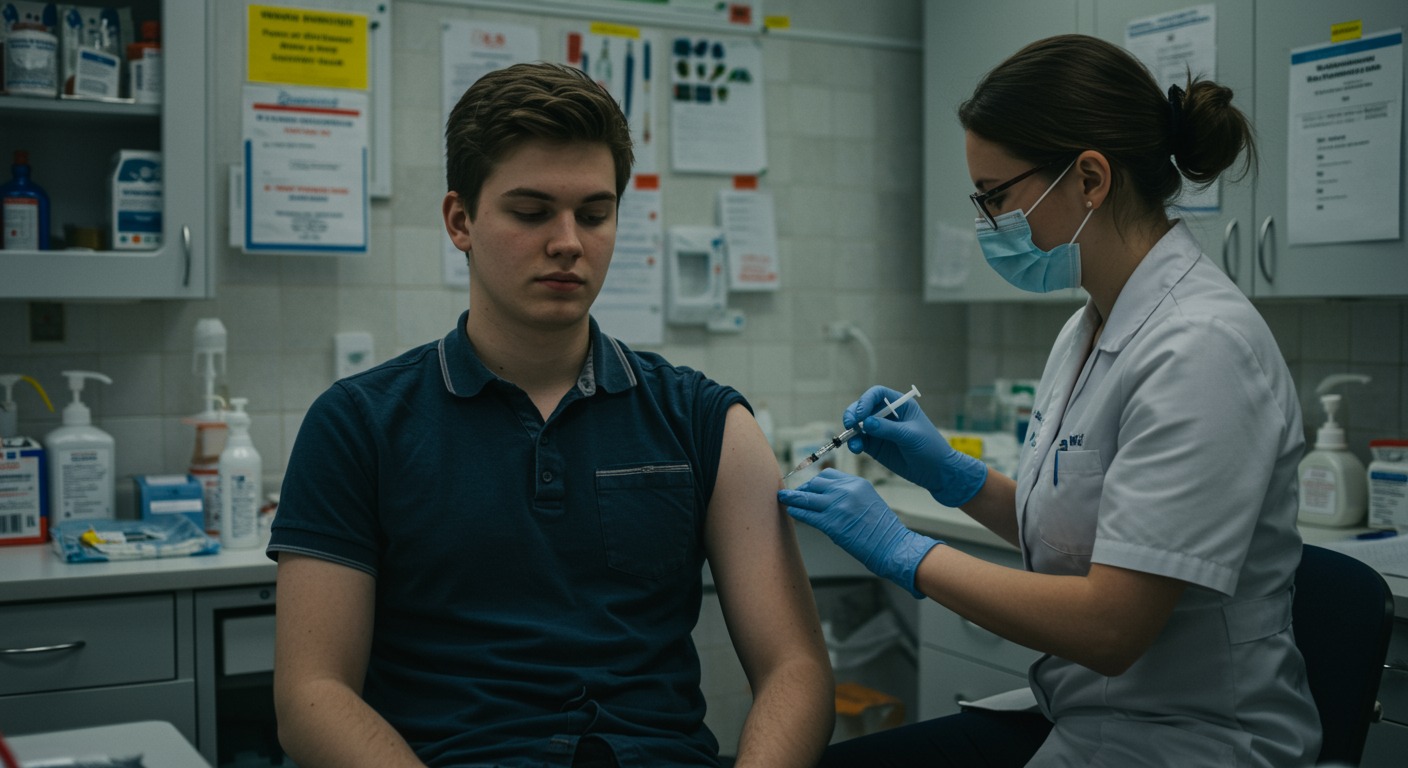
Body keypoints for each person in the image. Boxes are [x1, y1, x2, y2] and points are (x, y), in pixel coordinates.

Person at [269, 61, 833, 768]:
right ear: (460, 220)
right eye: (532, 212)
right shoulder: (357, 426)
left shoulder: (706, 421)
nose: (569, 240)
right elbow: (310, 696)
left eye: (594, 214)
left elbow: (796, 669)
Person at [779, 34, 1320, 767]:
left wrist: (904, 550)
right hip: (1091, 716)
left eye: (997, 196)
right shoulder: (1089, 325)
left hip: (1194, 739)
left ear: (1090, 179)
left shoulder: (1202, 347)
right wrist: (954, 478)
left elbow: (1110, 627)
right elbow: (1083, 534)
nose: (987, 223)